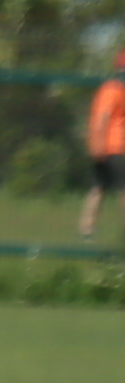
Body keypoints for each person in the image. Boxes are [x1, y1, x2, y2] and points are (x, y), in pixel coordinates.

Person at [83, 49, 125, 241]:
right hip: (113, 147)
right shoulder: (112, 89)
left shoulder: (118, 89)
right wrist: (98, 145)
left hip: (111, 146)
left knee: (99, 187)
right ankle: (87, 228)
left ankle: (87, 230)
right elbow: (102, 118)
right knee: (119, 189)